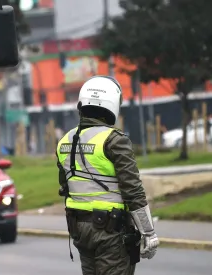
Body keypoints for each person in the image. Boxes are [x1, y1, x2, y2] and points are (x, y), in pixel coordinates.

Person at [55, 76, 159, 275]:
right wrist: (148, 232)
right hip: (110, 231)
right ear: (112, 104)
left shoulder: (64, 141)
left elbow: (65, 186)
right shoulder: (114, 140)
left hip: (79, 228)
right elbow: (132, 190)